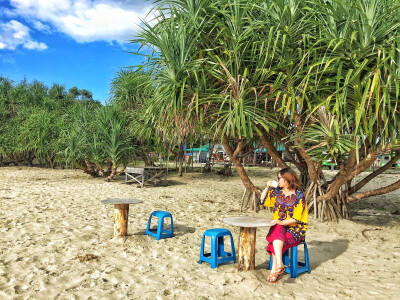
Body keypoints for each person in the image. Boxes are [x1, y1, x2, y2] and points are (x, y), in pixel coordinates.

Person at [260, 167, 308, 283]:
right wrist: (267, 187)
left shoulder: (298, 196)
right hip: (279, 227)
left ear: (287, 180)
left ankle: (274, 270)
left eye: (279, 178)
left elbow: (297, 218)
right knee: (277, 231)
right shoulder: (277, 192)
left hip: (295, 229)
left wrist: (282, 222)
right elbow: (262, 200)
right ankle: (279, 265)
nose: (278, 180)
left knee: (274, 240)